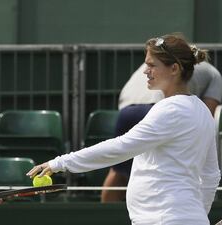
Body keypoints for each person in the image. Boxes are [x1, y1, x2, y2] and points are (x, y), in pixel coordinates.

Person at [27, 33, 221, 224]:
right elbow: (211, 174)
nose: (146, 71)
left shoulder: (171, 109)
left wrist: (59, 163)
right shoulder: (202, 111)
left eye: (152, 65)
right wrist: (197, 215)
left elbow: (122, 147)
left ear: (174, 69)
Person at [101, 61, 222, 202]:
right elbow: (207, 116)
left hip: (126, 111)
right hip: (157, 109)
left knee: (118, 171)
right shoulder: (215, 76)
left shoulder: (157, 60)